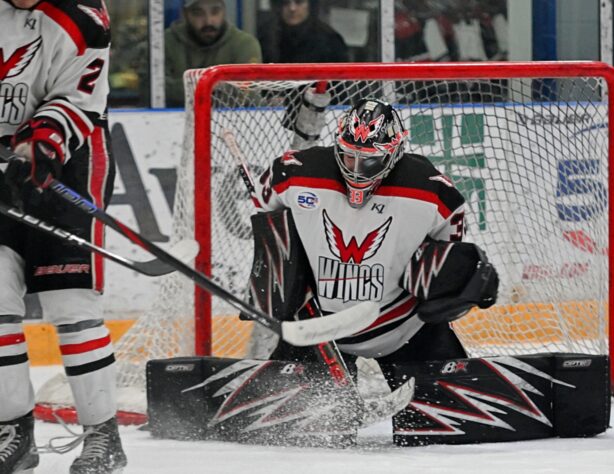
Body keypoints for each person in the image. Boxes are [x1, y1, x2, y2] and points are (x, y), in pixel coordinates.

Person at [250, 98, 497, 389]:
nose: (356, 168)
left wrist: (460, 281)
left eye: (369, 159)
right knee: (300, 430)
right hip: (315, 328)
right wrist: (289, 272)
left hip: (404, 327)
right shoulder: (293, 172)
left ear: (395, 153)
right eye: (348, 155)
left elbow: (445, 256)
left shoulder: (433, 192)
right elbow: (265, 213)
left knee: (440, 424)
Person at [0, 1, 125, 473]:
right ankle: (13, 431)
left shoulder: (83, 17)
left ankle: (103, 435)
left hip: (66, 165)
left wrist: (40, 145)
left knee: (71, 307)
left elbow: (78, 99)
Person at [165, 0, 263, 107]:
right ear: (185, 14)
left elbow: (249, 97)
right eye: (198, 13)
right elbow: (153, 91)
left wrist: (190, 87)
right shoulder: (162, 43)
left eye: (215, 12)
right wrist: (215, 85)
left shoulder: (244, 44)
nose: (208, 22)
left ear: (224, 11)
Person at [258, 0, 349, 64]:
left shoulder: (330, 40)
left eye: (299, 2)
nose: (292, 8)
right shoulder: (266, 37)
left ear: (310, 5)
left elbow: (340, 86)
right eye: (286, 3)